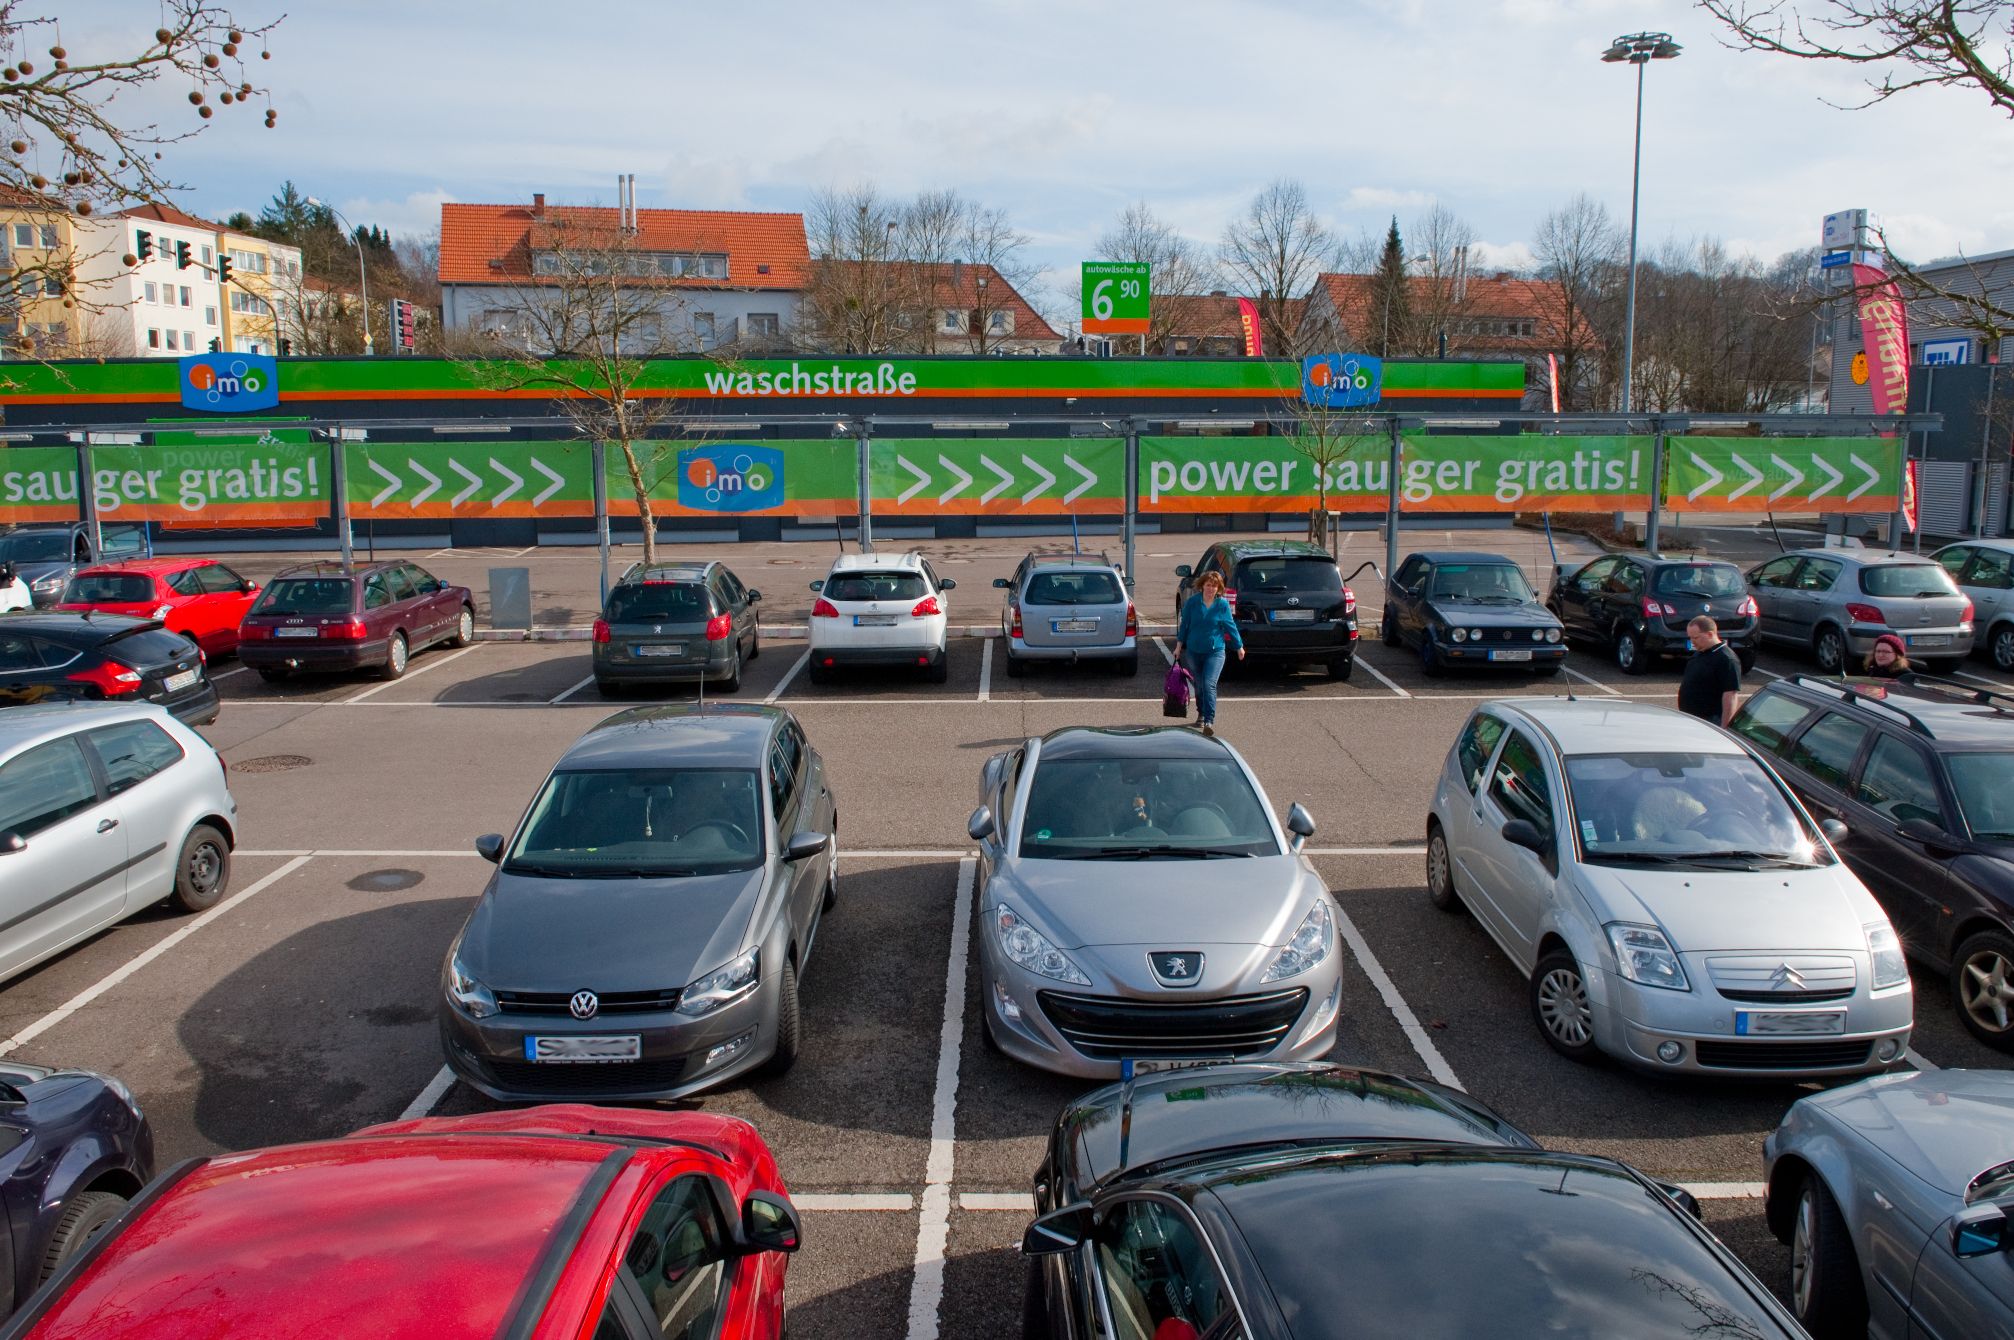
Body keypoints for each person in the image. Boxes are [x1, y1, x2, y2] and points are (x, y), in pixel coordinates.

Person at [1172, 570, 1244, 736]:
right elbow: (1185, 626)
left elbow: (1230, 625)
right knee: (1199, 684)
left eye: (1215, 586)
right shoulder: (1192, 603)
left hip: (1215, 651)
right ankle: (1201, 713)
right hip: (1194, 651)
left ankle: (1209, 720)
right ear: (1202, 585)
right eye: (1209, 585)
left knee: (1209, 683)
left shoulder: (1222, 605)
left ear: (1219, 588)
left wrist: (1239, 646)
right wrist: (1178, 646)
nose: (1211, 588)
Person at [1676, 615, 1742, 726]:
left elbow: (1730, 695)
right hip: (1691, 718)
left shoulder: (1726, 659)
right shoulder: (1700, 652)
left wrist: (1724, 728)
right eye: (1690, 637)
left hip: (1709, 721)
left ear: (1710, 634)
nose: (1692, 641)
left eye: (1695, 638)